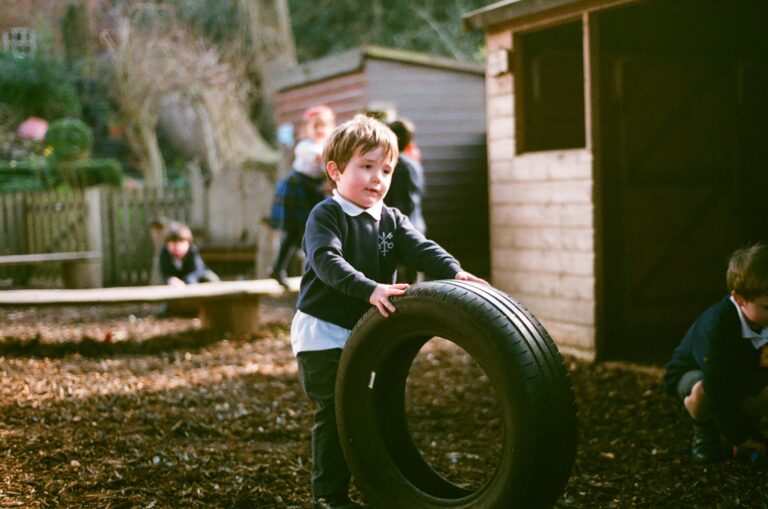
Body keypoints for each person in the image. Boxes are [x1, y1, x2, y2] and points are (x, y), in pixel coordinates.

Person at [291, 114, 486, 509]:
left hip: (366, 331)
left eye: (386, 169)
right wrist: (370, 289)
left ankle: (383, 486)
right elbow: (327, 262)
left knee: (372, 409)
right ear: (335, 170)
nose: (377, 178)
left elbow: (422, 247)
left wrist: (454, 271)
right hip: (323, 332)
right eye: (366, 167)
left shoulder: (391, 219)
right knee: (337, 409)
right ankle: (328, 495)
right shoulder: (326, 216)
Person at [663, 243, 768, 463]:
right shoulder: (717, 325)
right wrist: (738, 438)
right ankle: (705, 434)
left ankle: (747, 428)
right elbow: (717, 385)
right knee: (704, 391)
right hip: (697, 374)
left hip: (736, 374)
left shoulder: (761, 319)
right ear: (739, 299)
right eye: (766, 307)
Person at [269, 105, 336, 288]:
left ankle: (315, 270)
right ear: (307, 129)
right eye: (315, 126)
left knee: (314, 232)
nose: (320, 130)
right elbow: (320, 158)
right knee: (293, 232)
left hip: (313, 191)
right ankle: (278, 267)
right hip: (298, 188)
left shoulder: (326, 146)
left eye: (323, 126)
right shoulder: (305, 146)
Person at [384, 118, 426, 283]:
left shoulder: (399, 165)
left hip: (403, 225)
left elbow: (401, 201)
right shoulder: (413, 162)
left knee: (405, 281)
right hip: (416, 222)